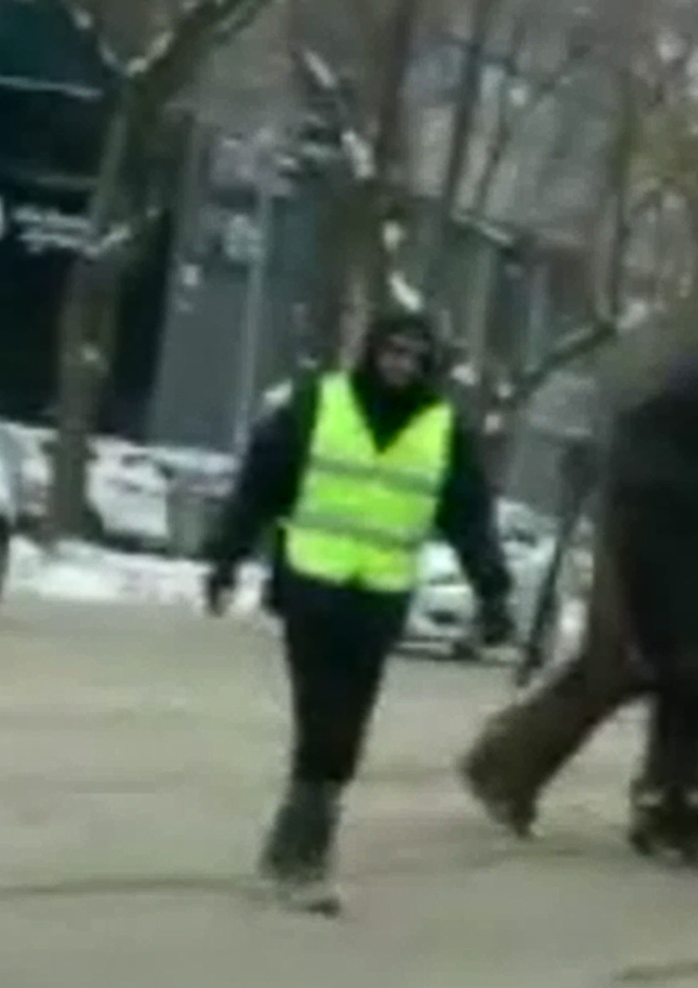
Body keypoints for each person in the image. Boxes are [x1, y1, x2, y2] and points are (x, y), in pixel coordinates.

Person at [201, 310, 516, 914]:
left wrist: (494, 592)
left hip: (380, 597)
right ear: (371, 352)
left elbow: (470, 518)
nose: (400, 365)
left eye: (413, 357)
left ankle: (293, 843)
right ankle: (304, 855)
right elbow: (258, 485)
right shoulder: (318, 402)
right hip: (312, 585)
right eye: (391, 352)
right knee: (322, 717)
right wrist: (225, 558)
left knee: (348, 727)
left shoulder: (443, 428)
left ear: (428, 366)